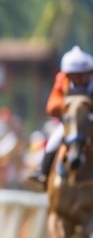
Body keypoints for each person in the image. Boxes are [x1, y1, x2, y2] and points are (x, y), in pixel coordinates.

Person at [31, 45, 93, 185]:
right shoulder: (62, 81)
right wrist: (68, 111)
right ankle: (43, 172)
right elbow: (53, 104)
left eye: (83, 73)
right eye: (74, 74)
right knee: (53, 142)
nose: (79, 78)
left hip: (90, 120)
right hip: (70, 123)